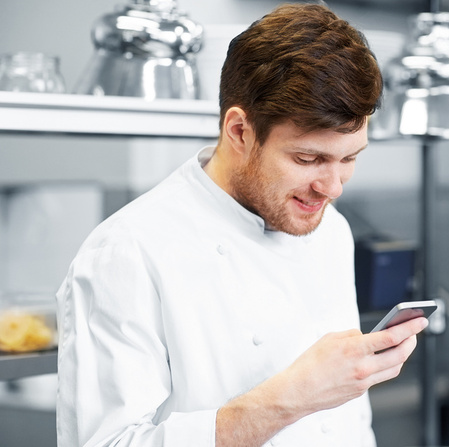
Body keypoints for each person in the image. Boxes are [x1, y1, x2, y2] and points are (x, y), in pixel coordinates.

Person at [56, 3, 428, 446]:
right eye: (308, 159)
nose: (332, 188)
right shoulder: (128, 251)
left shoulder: (331, 229)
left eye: (349, 159)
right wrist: (289, 398)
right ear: (239, 131)